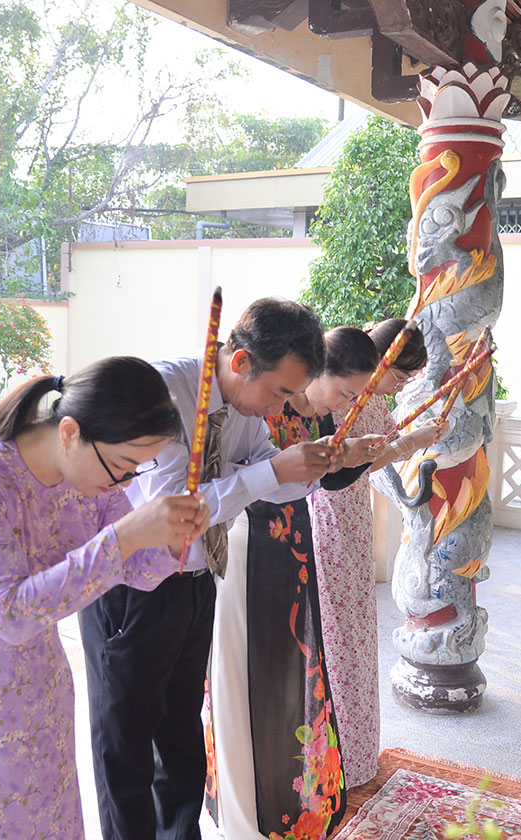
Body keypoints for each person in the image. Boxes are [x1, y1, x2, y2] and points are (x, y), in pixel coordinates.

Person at [0, 359, 209, 839]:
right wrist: (126, 537)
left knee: (43, 818)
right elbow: (7, 614)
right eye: (124, 464)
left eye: (140, 467)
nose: (130, 481)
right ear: (70, 431)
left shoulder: (94, 481)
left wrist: (175, 537)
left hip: (34, 686)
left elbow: (138, 566)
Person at [79, 298, 339, 840]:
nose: (277, 408)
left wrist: (314, 466)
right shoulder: (164, 394)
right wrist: (271, 472)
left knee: (181, 739)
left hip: (197, 584)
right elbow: (176, 508)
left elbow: (263, 478)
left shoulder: (243, 411)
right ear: (240, 361)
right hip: (134, 587)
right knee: (125, 744)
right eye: (279, 392)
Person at [205, 325, 388, 839]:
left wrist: (347, 455)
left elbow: (307, 482)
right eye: (346, 392)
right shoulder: (259, 404)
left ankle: (283, 803)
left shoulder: (293, 408)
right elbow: (243, 484)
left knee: (290, 670)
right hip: (248, 543)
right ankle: (243, 811)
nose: (346, 402)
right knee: (243, 676)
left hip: (290, 542)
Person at [308, 319, 446, 789]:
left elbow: (371, 458)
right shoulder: (330, 402)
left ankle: (358, 757)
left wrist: (408, 441)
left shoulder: (371, 400)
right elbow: (337, 471)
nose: (399, 387)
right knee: (333, 638)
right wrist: (405, 443)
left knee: (357, 637)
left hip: (353, 520)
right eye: (401, 377)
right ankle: (331, 759)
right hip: (325, 522)